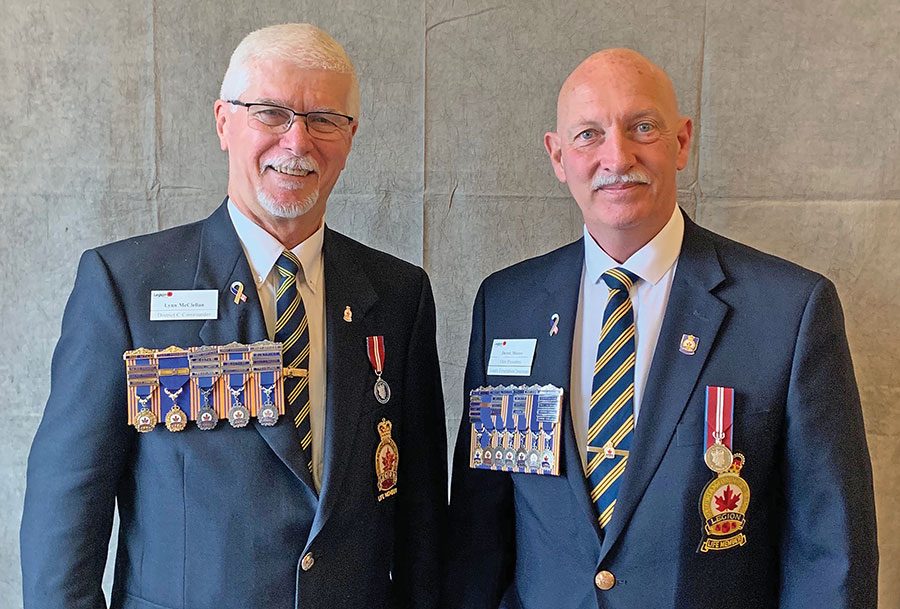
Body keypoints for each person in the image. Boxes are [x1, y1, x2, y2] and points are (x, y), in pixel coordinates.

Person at [21, 23, 447, 609]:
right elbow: (63, 521)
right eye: (271, 113)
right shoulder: (124, 287)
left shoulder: (398, 296)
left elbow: (422, 527)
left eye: (324, 119)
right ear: (224, 122)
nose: (297, 142)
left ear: (350, 137)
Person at [443, 48, 877, 609]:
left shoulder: (789, 310)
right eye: (589, 135)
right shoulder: (506, 304)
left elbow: (830, 553)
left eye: (642, 127)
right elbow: (478, 531)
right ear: (557, 156)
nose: (617, 156)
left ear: (682, 141)